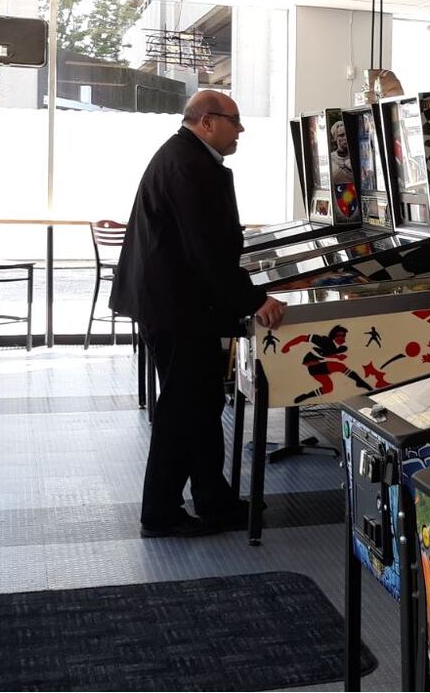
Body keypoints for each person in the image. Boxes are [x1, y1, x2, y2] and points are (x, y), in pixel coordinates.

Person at [110, 89, 285, 538]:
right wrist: (254, 301)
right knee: (182, 411)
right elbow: (205, 252)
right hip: (177, 308)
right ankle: (161, 512)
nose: (240, 129)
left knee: (203, 404)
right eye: (235, 120)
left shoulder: (186, 157)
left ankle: (213, 497)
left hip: (179, 305)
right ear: (207, 121)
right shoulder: (189, 165)